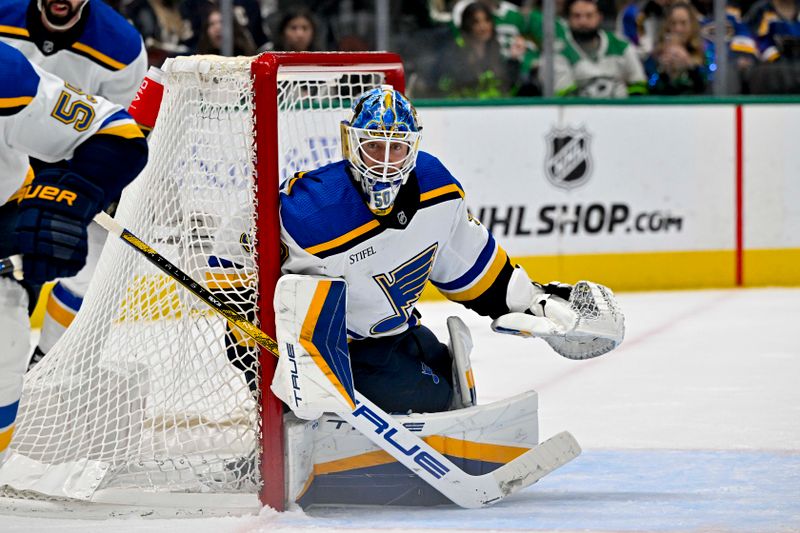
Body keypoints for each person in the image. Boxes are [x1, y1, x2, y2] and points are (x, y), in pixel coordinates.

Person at [277, 85, 587, 414]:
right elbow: (246, 267)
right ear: (351, 143)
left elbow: (471, 267)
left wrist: (533, 303)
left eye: (396, 147)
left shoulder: (436, 186)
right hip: (336, 354)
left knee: (443, 374)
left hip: (396, 335)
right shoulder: (310, 212)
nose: (384, 160)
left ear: (413, 147)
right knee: (432, 397)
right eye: (373, 145)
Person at [0, 42, 148, 463]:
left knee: (3, 349)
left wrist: (66, 195)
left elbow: (115, 133)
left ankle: (50, 355)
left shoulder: (6, 75)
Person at [436, 2, 535, 98]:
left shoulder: (497, 50)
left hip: (496, 110)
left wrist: (514, 58)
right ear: (467, 25)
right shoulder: (456, 52)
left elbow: (507, 88)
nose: (483, 27)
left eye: (487, 21)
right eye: (476, 22)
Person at [552, 0, 647, 97]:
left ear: (599, 17)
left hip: (621, 109)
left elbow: (638, 84)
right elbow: (565, 98)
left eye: (589, 15)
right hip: (580, 111)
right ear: (568, 19)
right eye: (577, 16)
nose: (583, 21)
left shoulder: (621, 46)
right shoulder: (559, 52)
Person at [645, 1, 710, 94]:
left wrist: (689, 64)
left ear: (692, 25)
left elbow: (709, 87)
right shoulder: (656, 54)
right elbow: (649, 87)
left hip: (696, 106)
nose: (678, 29)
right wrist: (662, 69)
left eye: (683, 23)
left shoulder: (705, 51)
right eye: (673, 23)